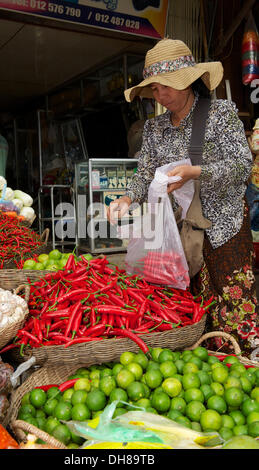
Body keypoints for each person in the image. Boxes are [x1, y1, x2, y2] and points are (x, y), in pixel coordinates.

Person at [107, 38, 258, 358]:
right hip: (181, 232)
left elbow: (242, 165)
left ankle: (244, 363)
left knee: (233, 303)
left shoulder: (218, 114)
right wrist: (126, 199)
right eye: (156, 89)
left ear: (188, 80)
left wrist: (195, 171)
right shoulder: (154, 128)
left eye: (167, 87)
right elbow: (145, 173)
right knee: (191, 305)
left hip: (224, 229)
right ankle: (205, 358)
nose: (161, 95)